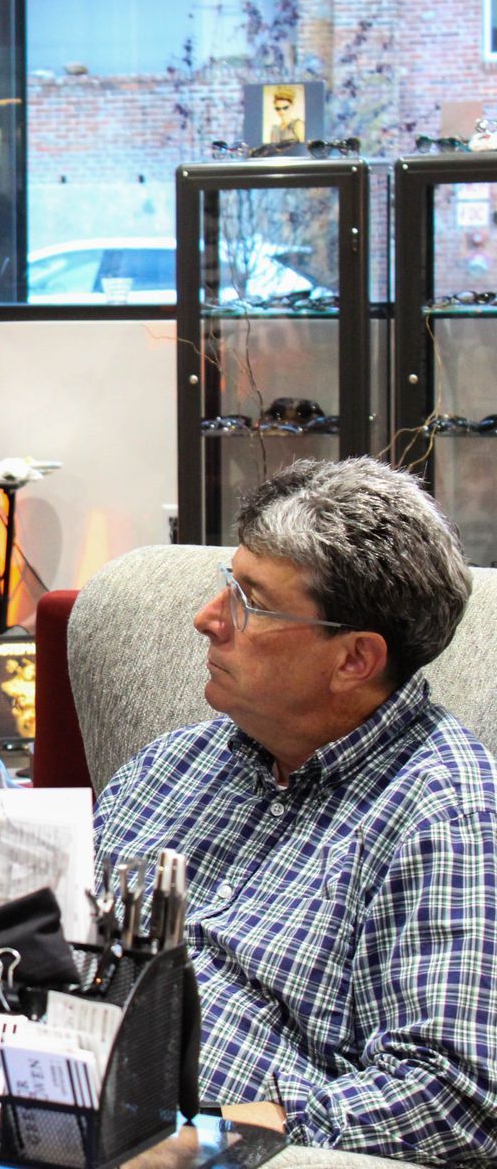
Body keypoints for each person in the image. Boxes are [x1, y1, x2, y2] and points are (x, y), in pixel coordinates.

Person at [93, 458, 497, 1163]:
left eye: (249, 601)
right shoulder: (175, 763)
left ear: (353, 660)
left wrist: (217, 1140)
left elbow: (454, 1094)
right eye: (227, 585)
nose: (206, 619)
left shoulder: (442, 817)